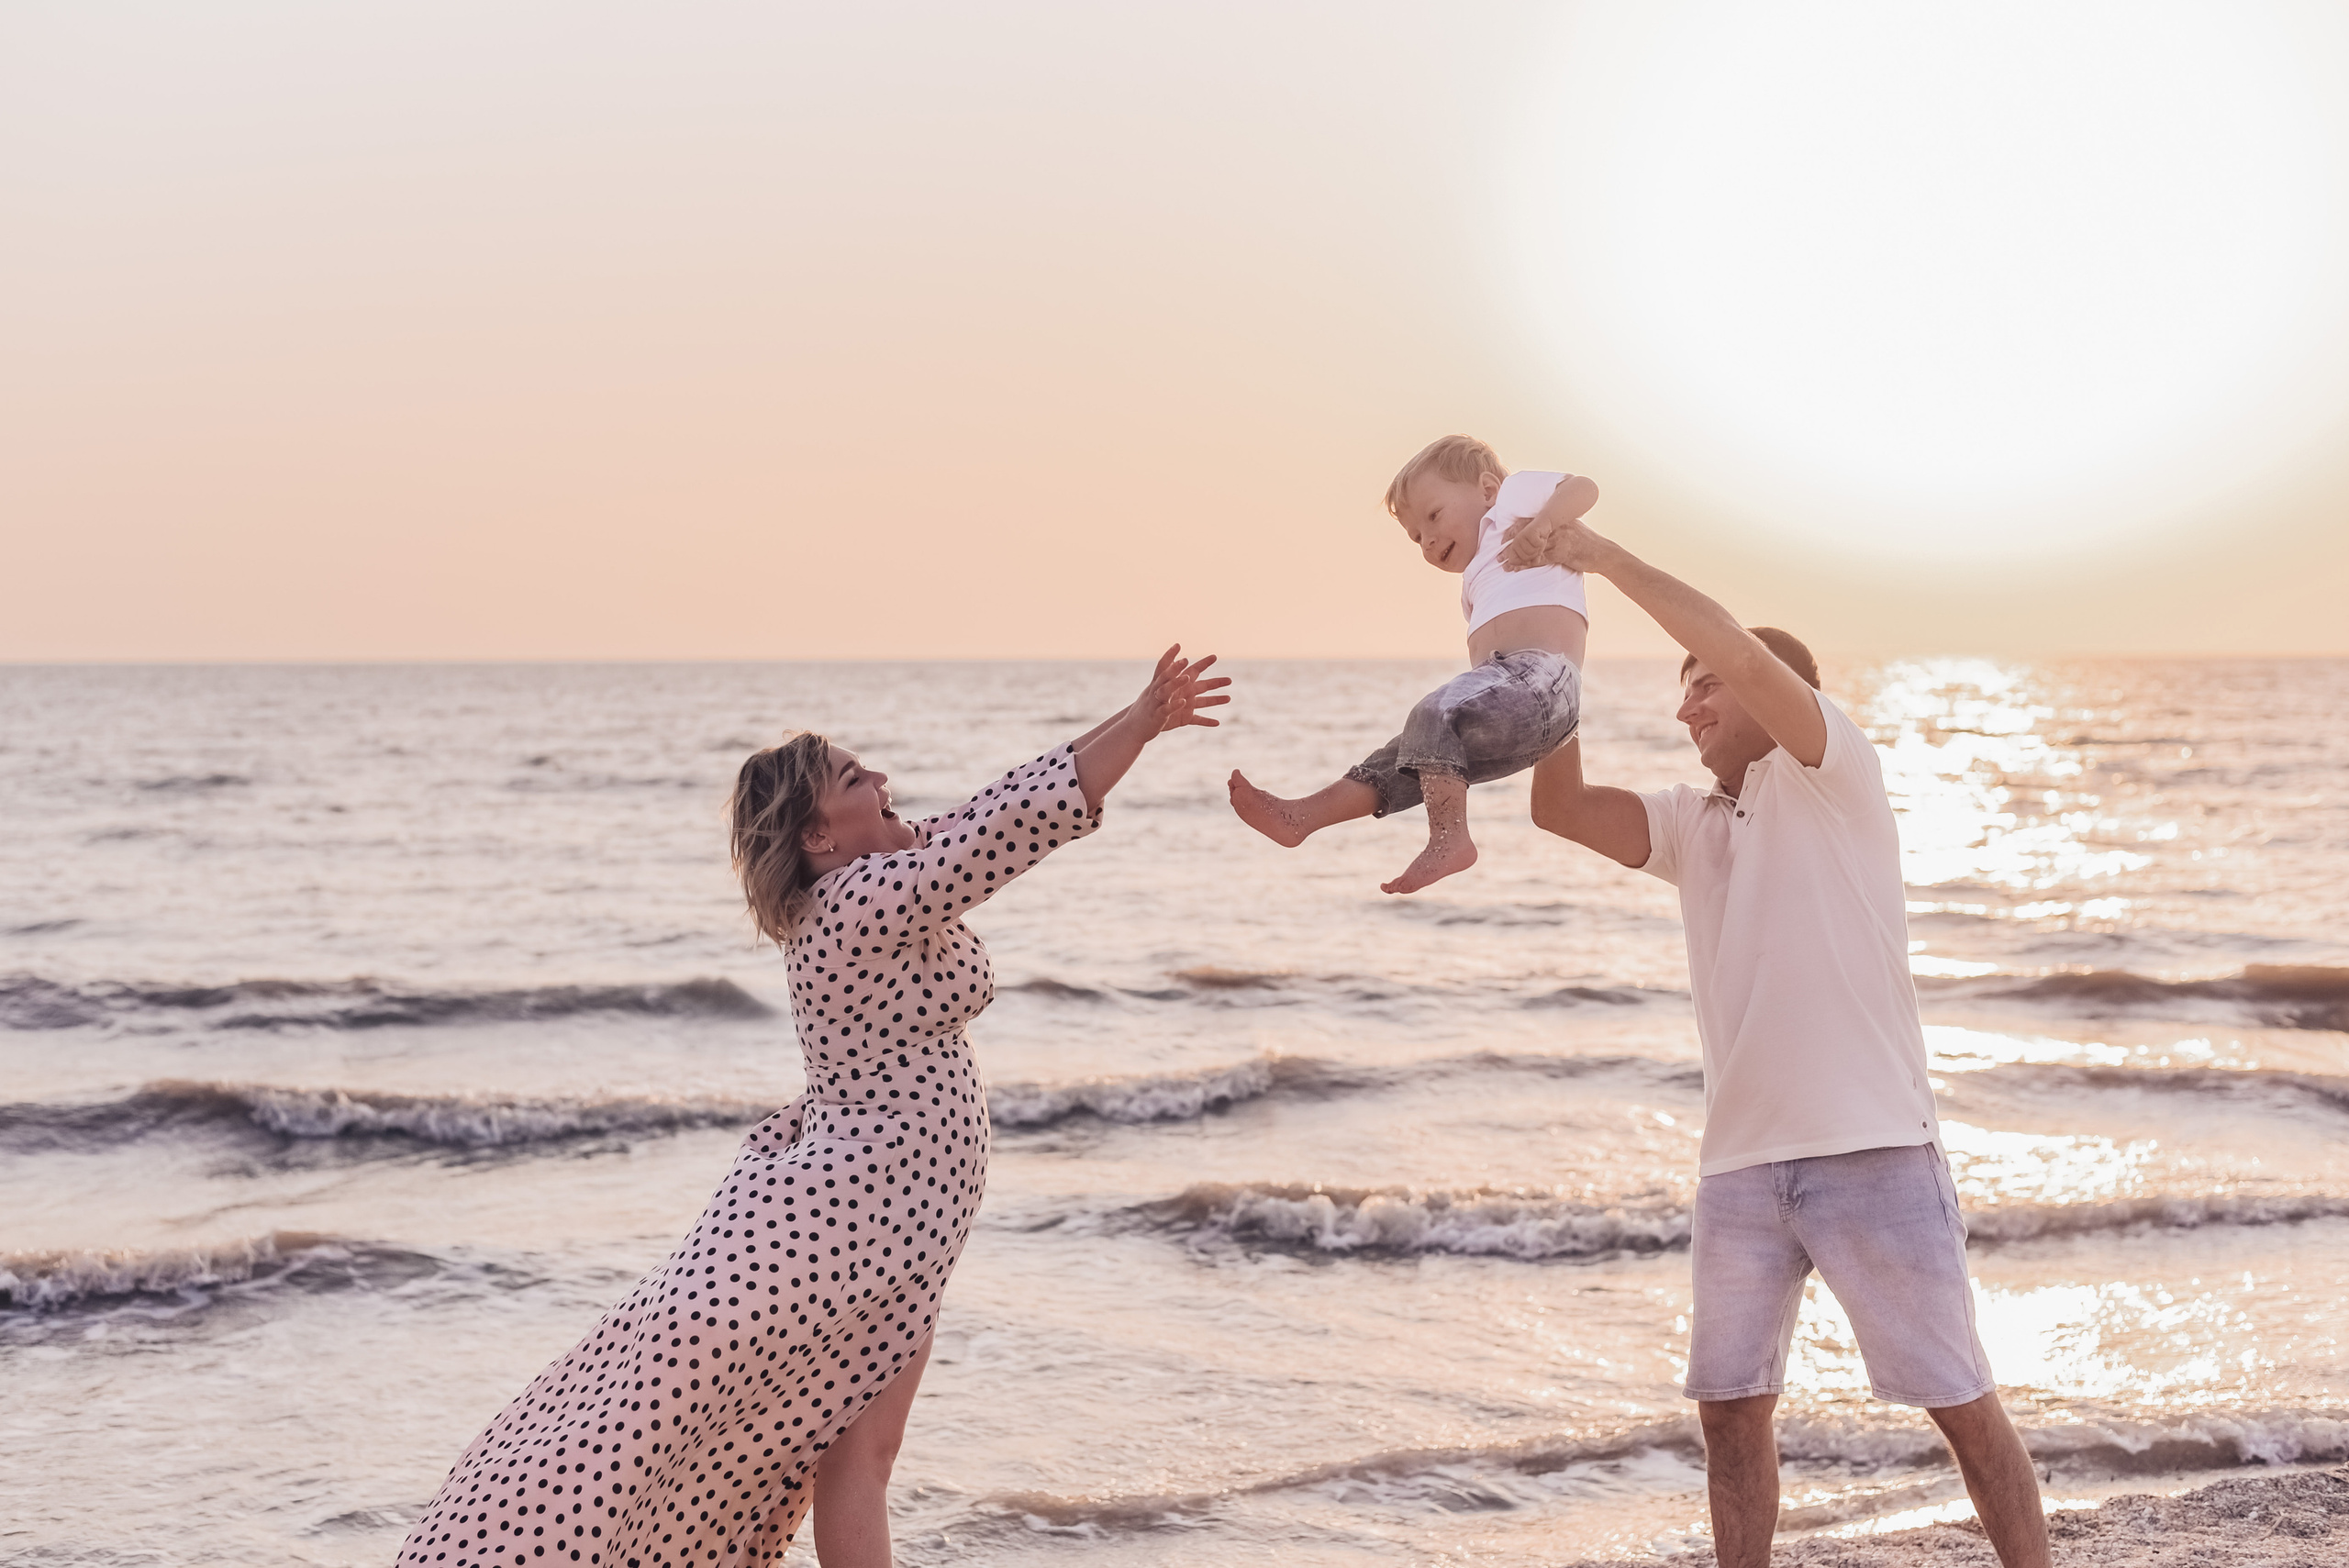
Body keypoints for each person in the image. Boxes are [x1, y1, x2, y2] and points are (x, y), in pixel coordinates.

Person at [397, 646, 1230, 1568]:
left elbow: (994, 809)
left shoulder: (870, 884)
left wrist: (1140, 712)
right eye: (851, 775)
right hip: (851, 1221)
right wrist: (1145, 719)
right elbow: (1006, 828)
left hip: (888, 1222)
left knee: (856, 1454)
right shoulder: (858, 900)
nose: (880, 777)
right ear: (819, 838)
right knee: (680, 1427)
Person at [1501, 503, 2051, 1568]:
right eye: (1680, 690)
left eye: (1700, 683)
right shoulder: (1689, 820)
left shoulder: (1832, 773)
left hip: (1873, 1150)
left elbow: (1743, 656)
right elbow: (1557, 809)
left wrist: (1602, 555)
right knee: (1729, 1412)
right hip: (1741, 1169)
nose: (1685, 707)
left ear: (1768, 691)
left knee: (1959, 1402)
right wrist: (1539, 657)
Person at [1228, 434, 1598, 893]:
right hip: (1512, 708)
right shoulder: (1472, 582)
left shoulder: (1513, 502)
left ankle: (1449, 837)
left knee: (1434, 712)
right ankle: (1302, 817)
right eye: (1416, 536)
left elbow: (1583, 489)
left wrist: (1543, 524)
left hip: (1545, 681)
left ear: (1486, 489)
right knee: (1409, 755)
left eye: (1434, 516)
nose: (1428, 540)